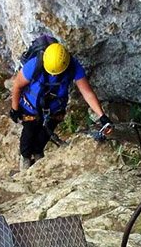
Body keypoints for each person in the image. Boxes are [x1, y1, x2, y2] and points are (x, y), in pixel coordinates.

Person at [9, 40, 112, 171]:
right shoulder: (34, 65)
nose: (52, 74)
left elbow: (87, 93)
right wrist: (15, 109)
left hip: (54, 110)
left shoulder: (73, 66)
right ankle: (25, 158)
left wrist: (102, 116)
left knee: (43, 136)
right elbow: (17, 85)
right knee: (29, 133)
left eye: (55, 73)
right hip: (31, 107)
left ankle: (38, 154)